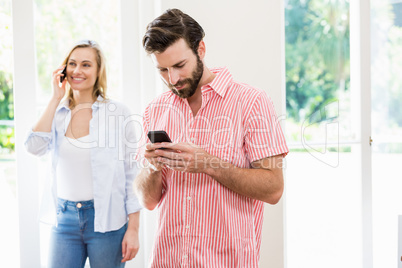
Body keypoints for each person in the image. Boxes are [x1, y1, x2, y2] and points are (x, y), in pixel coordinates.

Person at [134, 8, 289, 267]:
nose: (173, 79)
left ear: (201, 50)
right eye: (162, 70)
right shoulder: (155, 109)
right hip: (168, 260)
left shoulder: (251, 102)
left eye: (180, 65)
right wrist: (152, 167)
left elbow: (273, 188)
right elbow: (148, 201)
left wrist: (207, 164)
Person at [25, 40, 142, 268]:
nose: (77, 71)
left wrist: (134, 229)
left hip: (107, 220)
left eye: (86, 65)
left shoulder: (117, 113)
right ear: (63, 69)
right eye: (72, 64)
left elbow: (132, 174)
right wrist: (54, 98)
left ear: (98, 71)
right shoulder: (57, 113)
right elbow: (33, 148)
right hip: (64, 221)